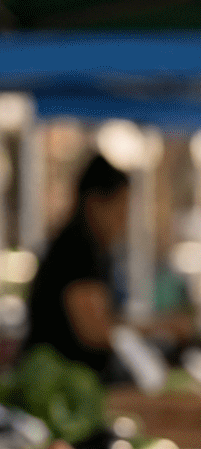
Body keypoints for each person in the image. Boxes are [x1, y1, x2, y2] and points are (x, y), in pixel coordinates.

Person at [24, 153, 129, 376]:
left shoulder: (92, 250)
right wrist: (160, 329)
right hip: (56, 388)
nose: (123, 223)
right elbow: (94, 331)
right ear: (94, 202)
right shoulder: (75, 249)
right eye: (119, 211)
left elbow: (103, 320)